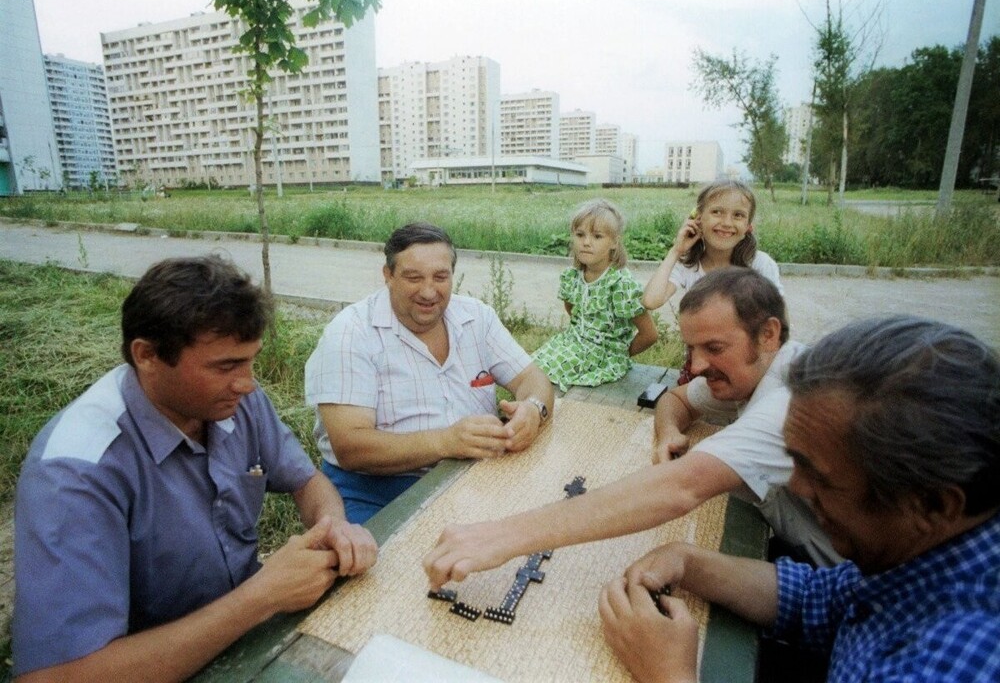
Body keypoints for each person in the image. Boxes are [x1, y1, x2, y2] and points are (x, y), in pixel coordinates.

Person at [13, 255, 378, 681]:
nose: (247, 383)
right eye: (225, 366)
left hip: (244, 635)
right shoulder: (76, 473)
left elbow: (307, 480)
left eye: (250, 360)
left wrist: (333, 525)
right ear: (147, 356)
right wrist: (261, 598)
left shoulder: (233, 399)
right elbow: (54, 677)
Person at [599, 315, 1000, 683]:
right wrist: (688, 561)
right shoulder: (922, 552)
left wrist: (670, 674)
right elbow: (818, 598)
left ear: (935, 506)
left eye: (820, 478)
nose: (795, 486)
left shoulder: (964, 656)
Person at [423, 268, 838, 592]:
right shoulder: (753, 370)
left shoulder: (790, 402)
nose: (694, 366)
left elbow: (678, 489)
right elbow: (675, 400)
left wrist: (499, 537)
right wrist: (667, 434)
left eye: (713, 348)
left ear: (768, 334)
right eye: (691, 349)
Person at [305, 222, 554, 524]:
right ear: (388, 276)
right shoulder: (350, 333)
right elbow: (351, 447)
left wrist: (533, 409)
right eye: (413, 277)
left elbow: (532, 378)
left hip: (469, 475)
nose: (428, 291)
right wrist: (446, 442)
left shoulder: (476, 317)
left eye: (440, 277)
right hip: (372, 491)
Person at [642, 179, 782, 385]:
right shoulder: (688, 265)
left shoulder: (760, 264)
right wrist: (676, 250)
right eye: (717, 212)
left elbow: (778, 325)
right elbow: (651, 301)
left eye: (738, 215)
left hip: (749, 366)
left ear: (748, 226)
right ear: (697, 218)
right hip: (702, 368)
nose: (726, 222)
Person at [532, 199, 658, 391]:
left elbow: (649, 335)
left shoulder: (620, 284)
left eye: (597, 236)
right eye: (580, 234)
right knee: (529, 366)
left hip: (603, 354)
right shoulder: (572, 277)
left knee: (545, 374)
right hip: (572, 342)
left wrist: (620, 356)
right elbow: (573, 310)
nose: (586, 242)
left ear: (614, 242)